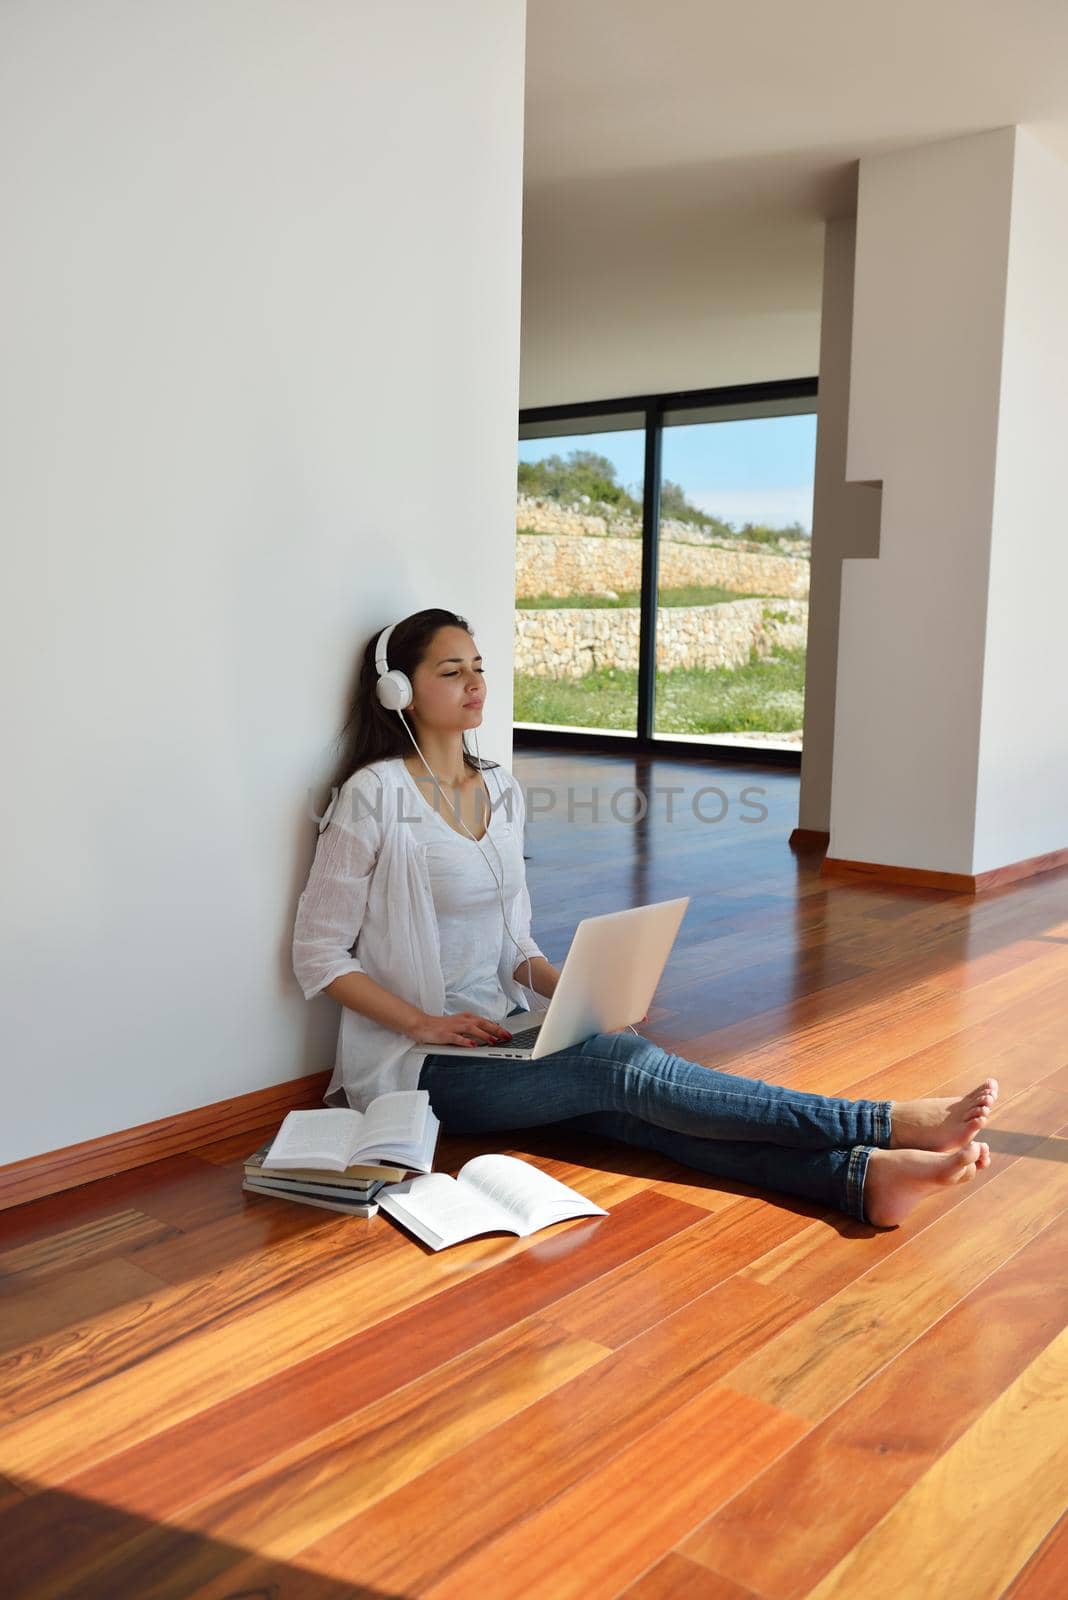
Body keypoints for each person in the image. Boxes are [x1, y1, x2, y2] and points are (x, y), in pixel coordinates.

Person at [292, 607, 996, 1229]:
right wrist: (421, 1022)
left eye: (479, 666)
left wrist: (579, 997)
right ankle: (883, 1120)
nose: (476, 683)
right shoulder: (371, 796)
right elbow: (318, 954)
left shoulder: (500, 787)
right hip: (421, 1064)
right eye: (452, 672)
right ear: (399, 691)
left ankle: (863, 1179)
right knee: (625, 1069)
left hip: (501, 1030)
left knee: (638, 1112)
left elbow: (514, 945)